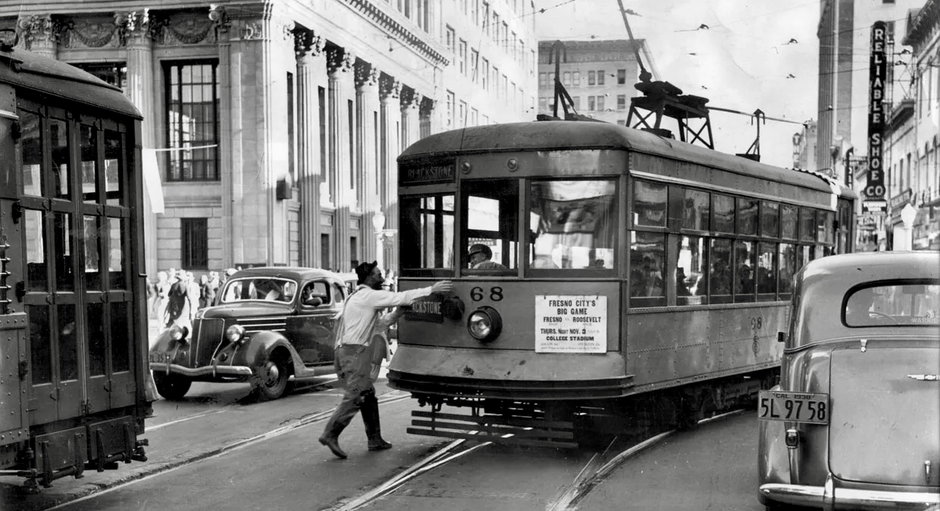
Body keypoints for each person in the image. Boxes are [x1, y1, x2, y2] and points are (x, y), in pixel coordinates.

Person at [319, 261, 453, 459]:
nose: (381, 277)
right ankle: (330, 433)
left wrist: (397, 314)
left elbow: (378, 325)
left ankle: (374, 439)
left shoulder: (357, 296)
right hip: (354, 353)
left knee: (368, 394)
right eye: (378, 274)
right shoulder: (369, 296)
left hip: (348, 352)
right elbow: (400, 297)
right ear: (369, 277)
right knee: (356, 395)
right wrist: (432, 289)